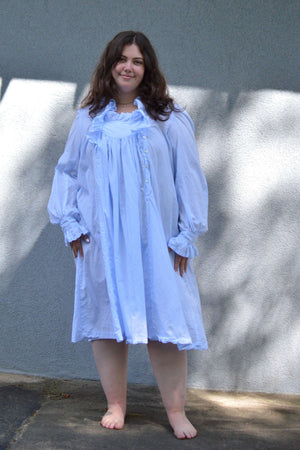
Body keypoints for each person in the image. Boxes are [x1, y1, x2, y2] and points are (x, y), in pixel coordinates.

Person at [48, 30, 208, 440]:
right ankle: (115, 404)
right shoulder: (89, 118)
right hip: (103, 241)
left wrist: (186, 234)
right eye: (122, 59)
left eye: (137, 61)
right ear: (109, 64)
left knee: (165, 323)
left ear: (147, 68)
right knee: (105, 321)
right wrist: (71, 224)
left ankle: (175, 411)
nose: (128, 67)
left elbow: (188, 176)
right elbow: (67, 171)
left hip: (157, 240)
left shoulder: (168, 118)